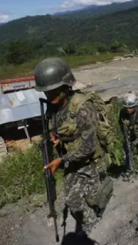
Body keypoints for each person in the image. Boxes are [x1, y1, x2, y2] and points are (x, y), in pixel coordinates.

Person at [35, 57, 101, 233]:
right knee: (73, 201)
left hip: (89, 162)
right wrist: (55, 138)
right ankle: (90, 222)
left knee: (94, 199)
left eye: (54, 90)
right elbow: (55, 128)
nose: (49, 95)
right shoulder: (52, 109)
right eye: (47, 92)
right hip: (71, 161)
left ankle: (96, 211)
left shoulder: (83, 107)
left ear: (65, 86)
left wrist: (61, 160)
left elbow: (89, 147)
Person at [118, 93, 138, 178]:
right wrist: (126, 137)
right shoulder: (122, 112)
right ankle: (130, 170)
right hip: (130, 136)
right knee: (127, 154)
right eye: (126, 107)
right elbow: (121, 124)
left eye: (130, 107)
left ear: (135, 106)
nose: (128, 110)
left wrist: (135, 142)